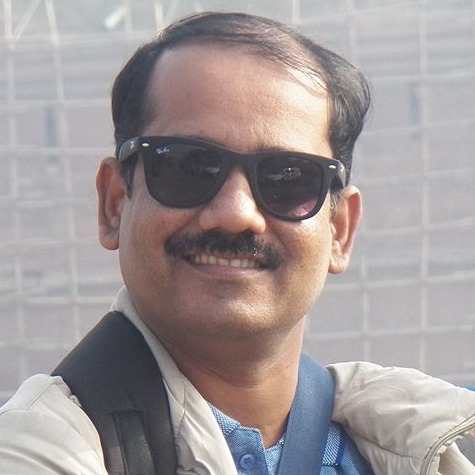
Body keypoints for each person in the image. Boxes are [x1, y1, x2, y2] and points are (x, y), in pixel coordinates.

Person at [0, 11, 474, 475]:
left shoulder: (426, 447)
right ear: (114, 204)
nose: (235, 214)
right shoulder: (34, 451)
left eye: (288, 178)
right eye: (187, 166)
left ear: (340, 231)